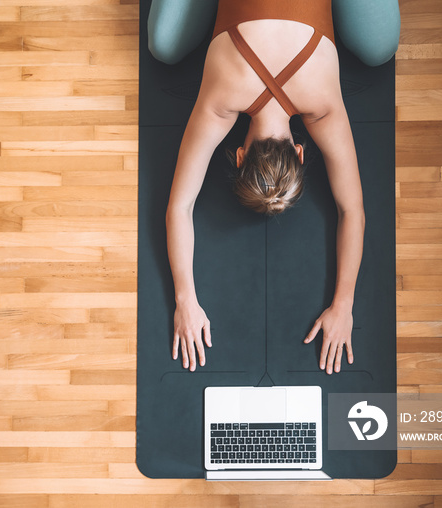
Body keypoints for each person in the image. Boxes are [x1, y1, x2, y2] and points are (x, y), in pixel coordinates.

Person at [149, 0, 400, 375]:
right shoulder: (221, 100)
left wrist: (344, 304)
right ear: (239, 156)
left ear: (299, 153)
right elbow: (179, 208)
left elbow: (353, 211)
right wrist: (185, 300)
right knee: (162, 48)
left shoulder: (322, 105)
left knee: (166, 45)